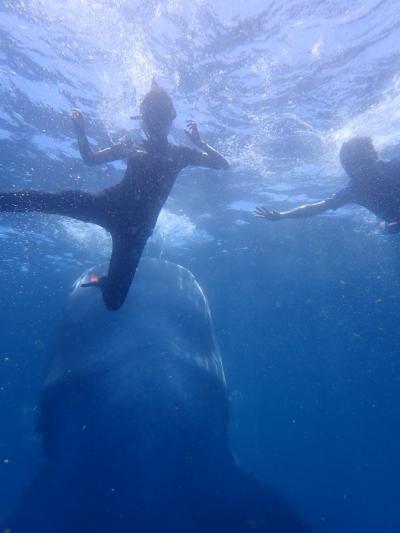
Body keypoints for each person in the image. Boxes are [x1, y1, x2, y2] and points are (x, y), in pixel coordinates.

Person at [0, 81, 229, 310]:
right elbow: (90, 159)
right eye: (152, 115)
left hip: (134, 231)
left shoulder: (180, 153)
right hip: (112, 208)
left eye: (160, 115)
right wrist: (81, 132)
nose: (156, 121)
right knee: (51, 201)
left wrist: (201, 142)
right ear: (146, 119)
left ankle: (105, 283)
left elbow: (223, 164)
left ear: (169, 118)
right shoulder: (138, 146)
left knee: (113, 302)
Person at [255, 136, 400, 233]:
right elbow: (316, 208)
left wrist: (282, 215)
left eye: (363, 163)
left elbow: (317, 207)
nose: (361, 171)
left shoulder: (396, 166)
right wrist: (282, 215)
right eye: (353, 167)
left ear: (374, 155)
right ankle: (385, 226)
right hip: (391, 222)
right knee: (388, 227)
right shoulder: (354, 189)